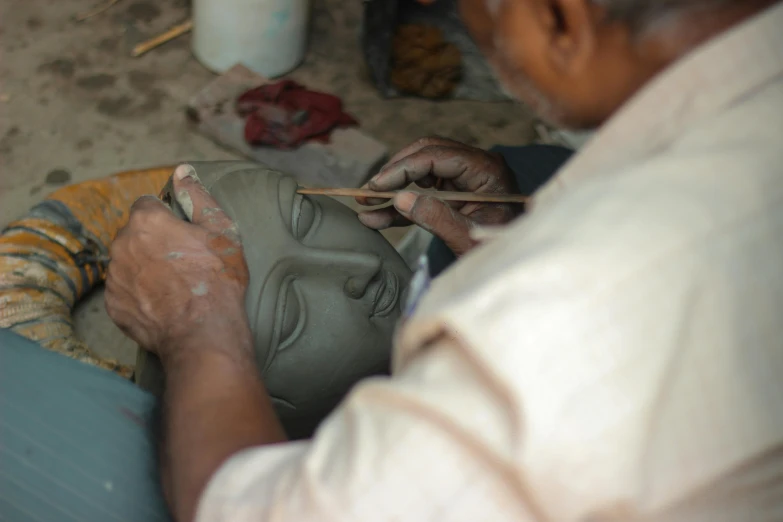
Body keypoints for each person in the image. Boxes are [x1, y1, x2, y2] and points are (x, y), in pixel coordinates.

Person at [4, 1, 782, 521]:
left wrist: (202, 323)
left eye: (480, 14)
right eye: (294, 306)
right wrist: (533, 201)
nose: (348, 269)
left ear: (559, 18)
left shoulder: (555, 334)